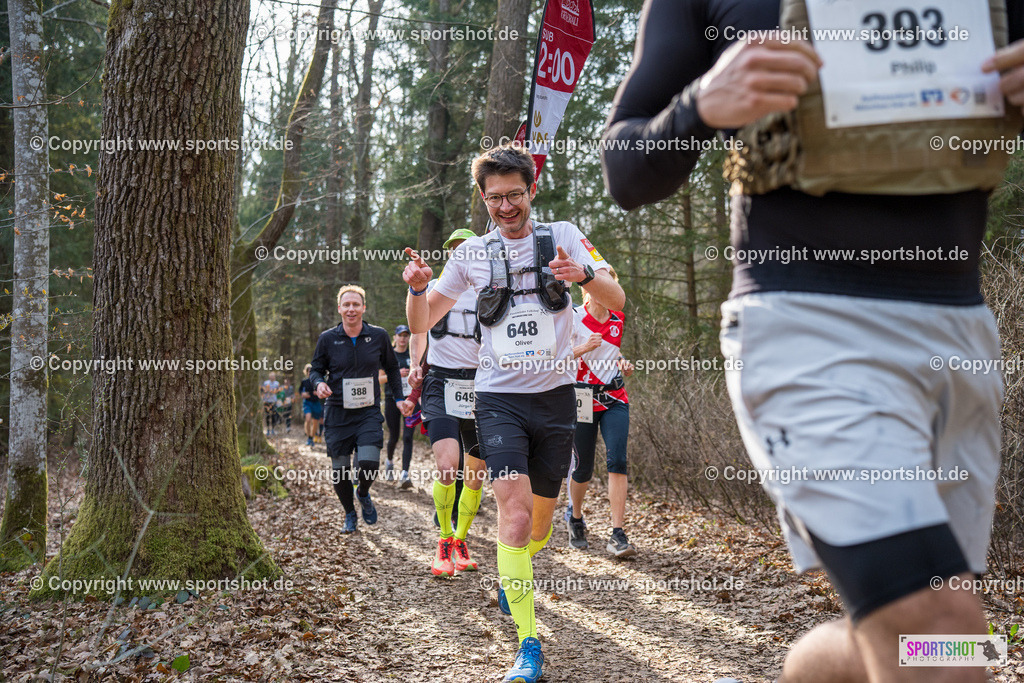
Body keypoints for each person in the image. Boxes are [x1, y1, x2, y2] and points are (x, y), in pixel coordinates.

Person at [601, 3, 1024, 681]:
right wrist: (700, 106)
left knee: (923, 639)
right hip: (807, 330)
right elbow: (625, 169)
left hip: (960, 333)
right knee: (945, 632)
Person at [404, 143, 624, 683]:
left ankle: (514, 569)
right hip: (497, 399)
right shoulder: (471, 254)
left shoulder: (565, 235)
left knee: (539, 525)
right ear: (482, 198)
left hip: (554, 401)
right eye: (495, 197)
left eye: (515, 195)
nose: (506, 206)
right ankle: (528, 645)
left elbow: (615, 299)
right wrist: (414, 290)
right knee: (515, 514)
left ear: (531, 191)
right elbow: (422, 320)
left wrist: (583, 277)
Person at [410, 227, 487, 578]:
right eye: (455, 250)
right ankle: (442, 541)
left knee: (474, 477)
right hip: (440, 382)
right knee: (447, 467)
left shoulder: (490, 292)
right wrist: (414, 365)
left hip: (480, 385)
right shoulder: (439, 288)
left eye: (467, 249)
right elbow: (418, 327)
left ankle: (460, 539)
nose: (461, 254)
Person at [310, 285, 409, 533]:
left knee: (368, 464)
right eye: (347, 305)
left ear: (364, 308)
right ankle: (349, 513)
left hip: (367, 412)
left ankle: (363, 493)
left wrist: (398, 398)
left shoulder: (378, 336)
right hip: (337, 412)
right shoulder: (328, 338)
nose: (351, 309)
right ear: (339, 308)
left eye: (356, 304)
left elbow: (393, 368)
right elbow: (316, 369)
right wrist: (319, 383)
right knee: (340, 471)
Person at [566, 269, 636, 558]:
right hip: (582, 398)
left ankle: (617, 533)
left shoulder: (618, 318)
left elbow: (612, 351)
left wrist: (623, 362)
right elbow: (559, 357)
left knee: (617, 460)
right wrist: (585, 347)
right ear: (589, 288)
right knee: (582, 467)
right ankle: (576, 518)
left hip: (615, 397)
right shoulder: (574, 316)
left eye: (612, 285)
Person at [382, 325, 416, 487]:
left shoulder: (413, 355)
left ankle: (405, 474)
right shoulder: (389, 355)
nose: (403, 339)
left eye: (406, 336)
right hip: (392, 399)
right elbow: (378, 378)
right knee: (394, 436)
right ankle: (389, 462)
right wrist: (394, 374)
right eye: (400, 335)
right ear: (394, 337)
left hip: (410, 400)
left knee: (408, 436)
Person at [300, 364, 323, 447]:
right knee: (308, 419)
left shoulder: (317, 382)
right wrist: (303, 394)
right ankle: (309, 437)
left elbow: (322, 391)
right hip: (307, 403)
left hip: (316, 403)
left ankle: (311, 437)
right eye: (308, 371)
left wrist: (318, 393)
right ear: (306, 372)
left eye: (311, 371)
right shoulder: (304, 382)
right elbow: (300, 392)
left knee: (315, 422)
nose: (309, 373)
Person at [261, 371, 279, 436]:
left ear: (274, 377)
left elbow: (278, 391)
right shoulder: (266, 383)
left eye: (273, 376)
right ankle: (268, 430)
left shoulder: (277, 383)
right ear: (269, 377)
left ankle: (273, 430)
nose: (272, 377)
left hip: (273, 401)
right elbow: (262, 390)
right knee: (267, 416)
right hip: (267, 401)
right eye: (271, 376)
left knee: (274, 416)